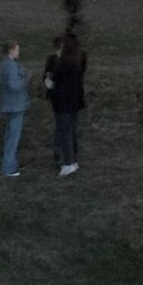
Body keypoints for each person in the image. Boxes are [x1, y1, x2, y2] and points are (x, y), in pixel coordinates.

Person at [46, 31, 87, 176]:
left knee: (64, 132)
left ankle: (68, 162)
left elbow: (51, 81)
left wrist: (49, 82)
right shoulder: (77, 61)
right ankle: (73, 159)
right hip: (75, 101)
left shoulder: (61, 64)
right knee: (72, 130)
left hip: (63, 102)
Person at [0, 41, 28, 179]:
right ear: (11, 50)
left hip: (8, 104)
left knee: (10, 135)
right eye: (17, 49)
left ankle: (10, 164)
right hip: (15, 105)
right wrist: (25, 80)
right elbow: (14, 85)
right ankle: (8, 168)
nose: (18, 52)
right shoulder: (11, 66)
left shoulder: (4, 65)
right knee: (13, 136)